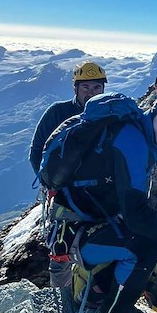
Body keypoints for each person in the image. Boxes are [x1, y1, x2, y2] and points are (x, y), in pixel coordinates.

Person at [49, 80, 157, 313]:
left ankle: (101, 292)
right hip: (76, 234)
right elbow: (137, 217)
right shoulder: (133, 140)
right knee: (145, 247)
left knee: (155, 239)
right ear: (156, 109)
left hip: (83, 223)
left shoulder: (140, 134)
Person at [29, 60, 107, 287]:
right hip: (64, 192)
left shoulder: (107, 115)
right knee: (61, 248)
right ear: (76, 89)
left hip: (96, 193)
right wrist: (48, 182)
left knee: (93, 243)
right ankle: (63, 301)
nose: (91, 93)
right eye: (86, 87)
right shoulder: (57, 113)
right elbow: (36, 151)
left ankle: (88, 292)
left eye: (96, 88)